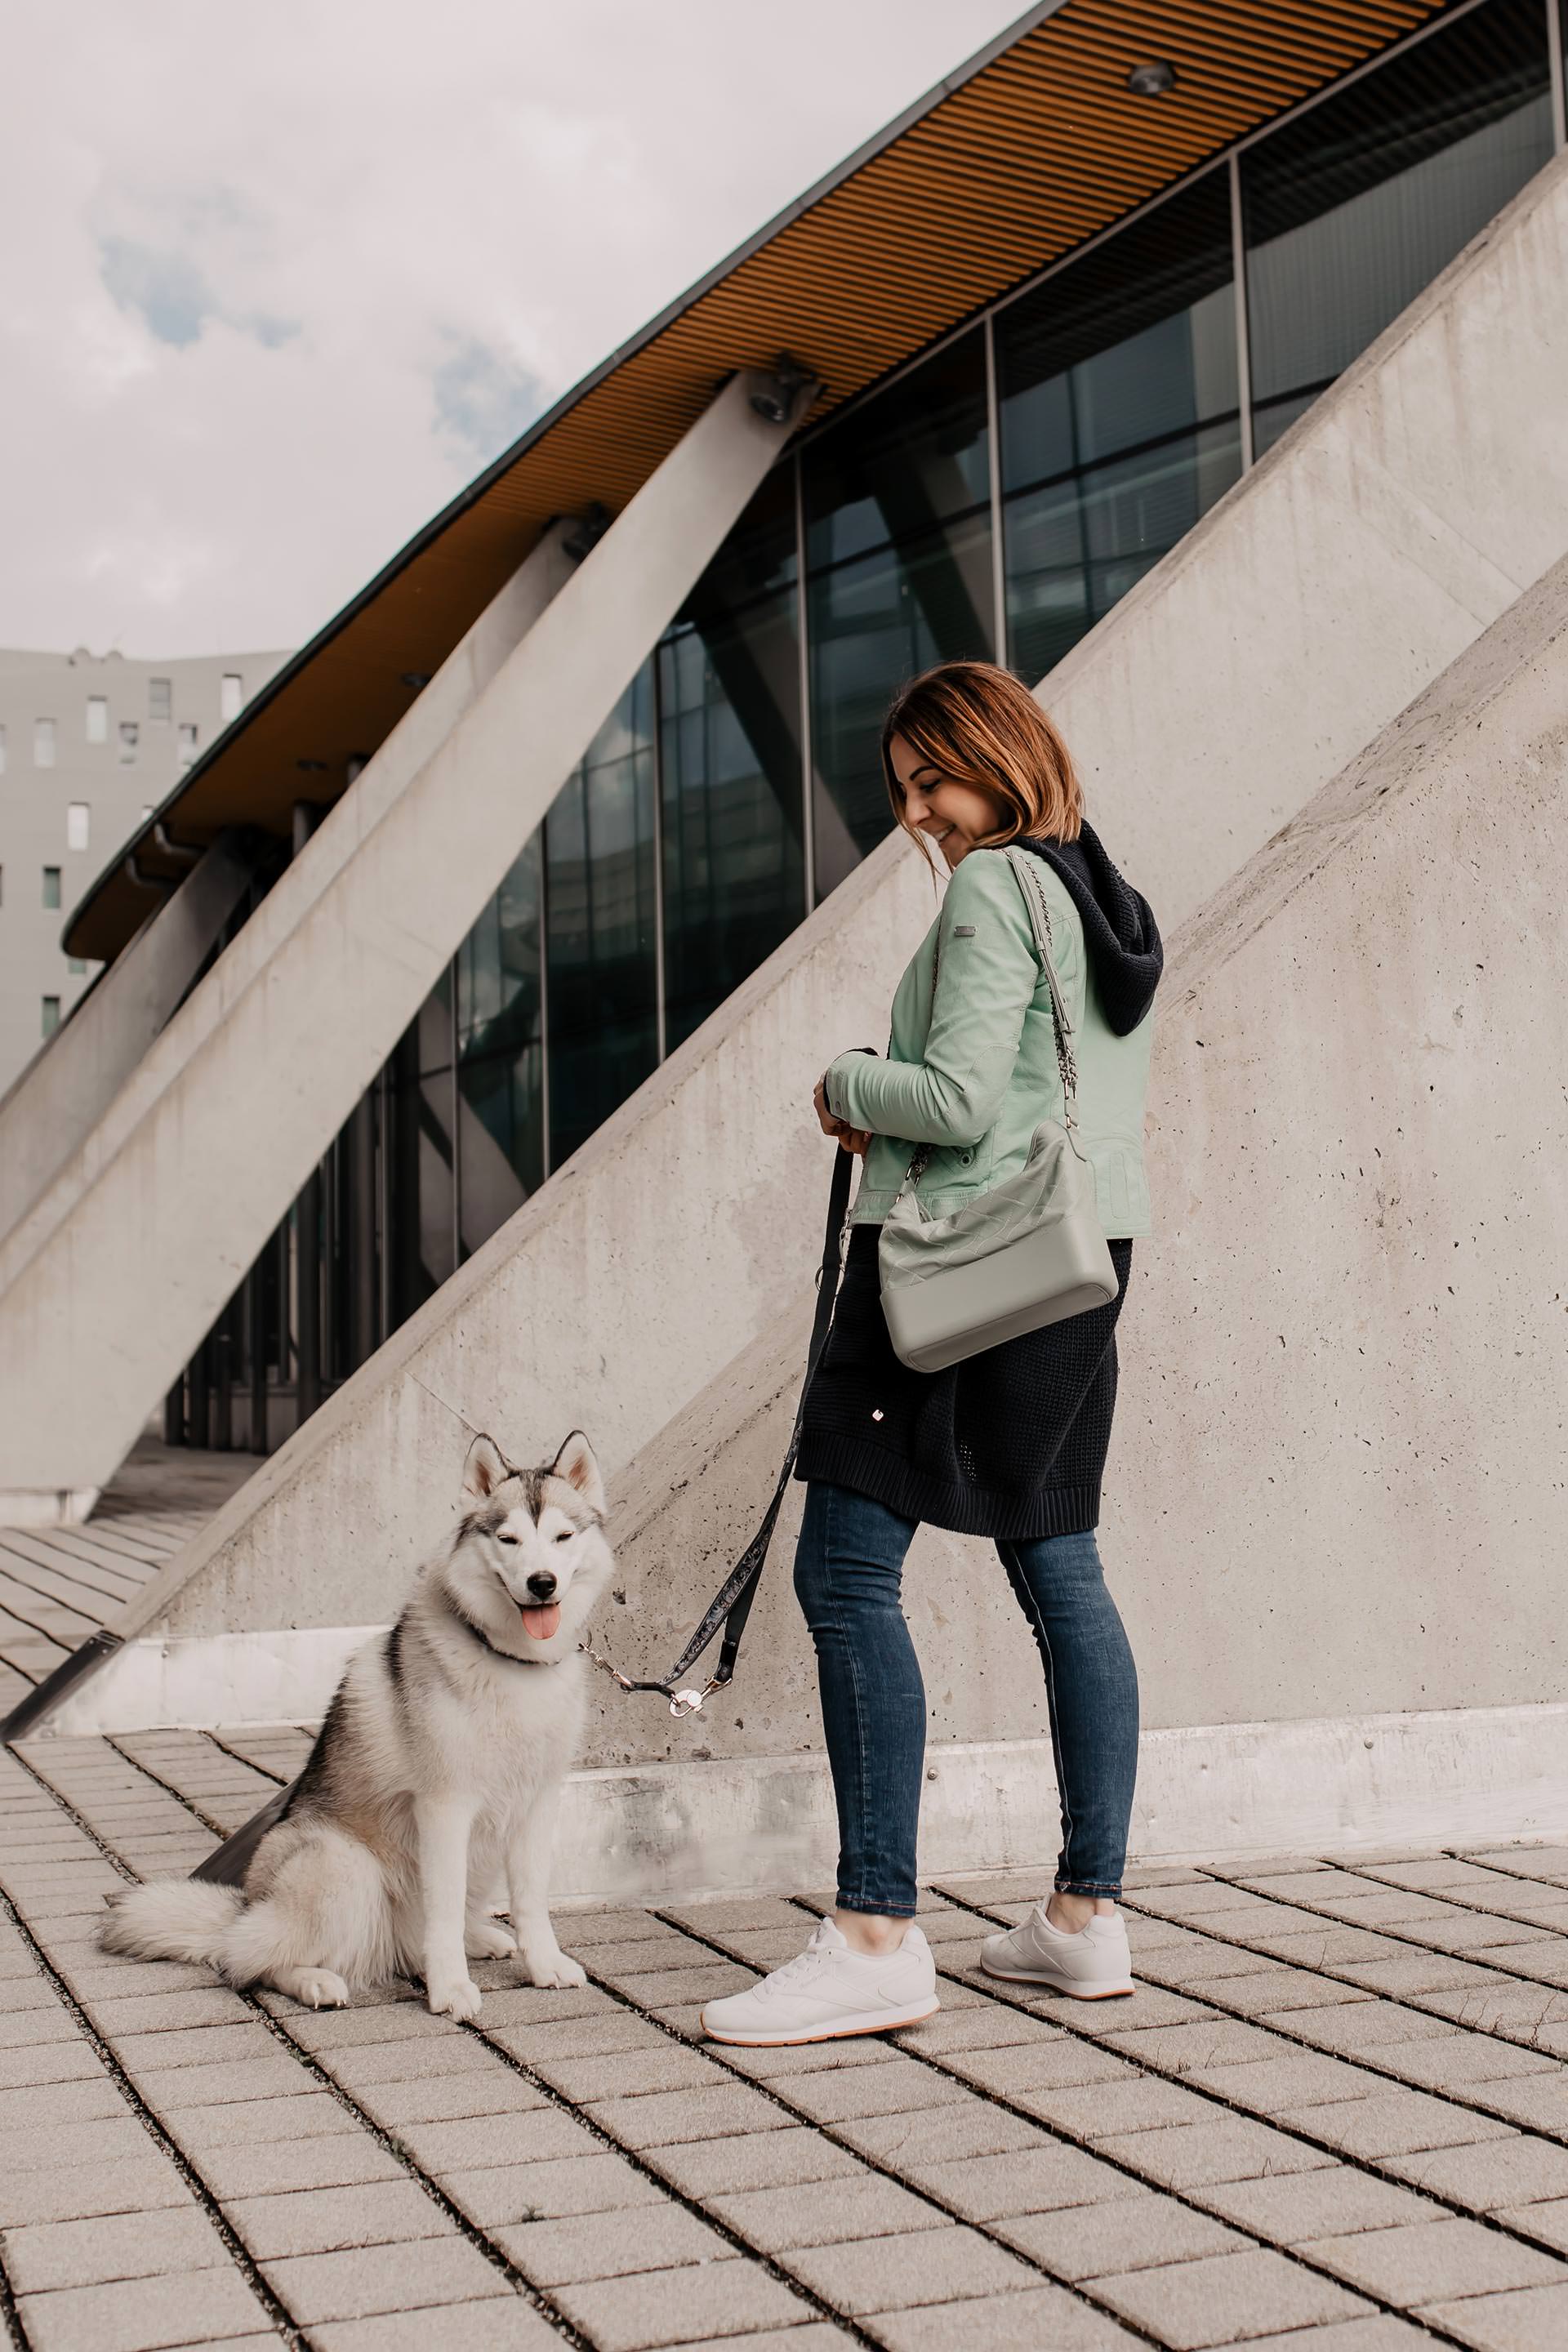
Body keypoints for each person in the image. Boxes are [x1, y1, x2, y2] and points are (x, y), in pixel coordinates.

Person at [701, 658, 1163, 2047]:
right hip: (1079, 1264)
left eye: (934, 781)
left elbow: (958, 1099)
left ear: (999, 756)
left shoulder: (990, 886)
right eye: (906, 795)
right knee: (1058, 1558)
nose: (923, 818)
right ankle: (1088, 1919)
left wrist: (847, 1083)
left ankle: (877, 1933)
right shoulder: (1105, 897)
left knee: (846, 1568)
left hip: (955, 1269)